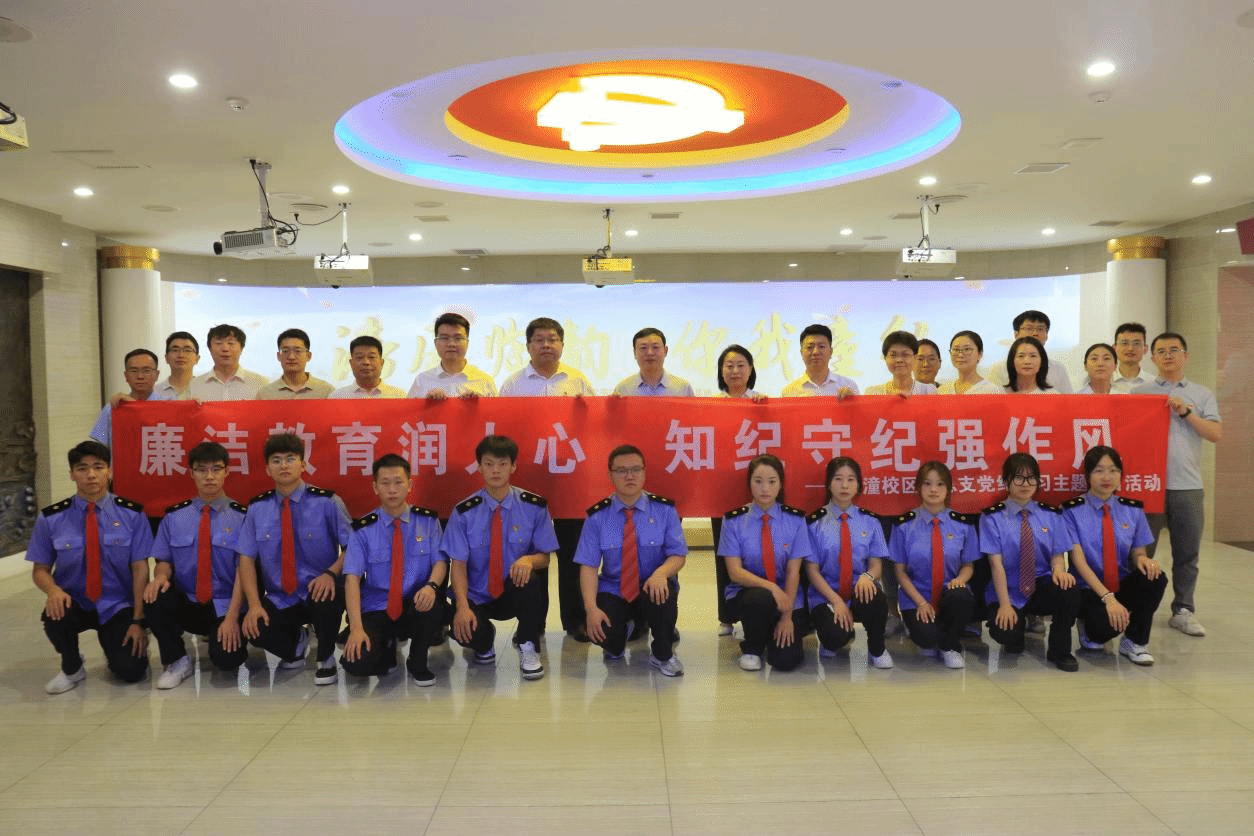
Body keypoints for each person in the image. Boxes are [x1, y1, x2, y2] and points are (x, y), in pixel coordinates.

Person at [27, 441, 152, 694]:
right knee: (55, 612)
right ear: (72, 474)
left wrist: (138, 620)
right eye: (82, 468)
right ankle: (72, 666)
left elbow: (141, 569)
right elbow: (40, 570)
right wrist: (52, 590)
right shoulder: (51, 518)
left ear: (110, 472)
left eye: (98, 467)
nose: (91, 475)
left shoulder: (132, 514)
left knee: (131, 671)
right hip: (74, 601)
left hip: (118, 604)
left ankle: (116, 649)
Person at [498, 317, 596, 641]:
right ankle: (533, 623)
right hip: (528, 481)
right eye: (539, 340)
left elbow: (594, 427)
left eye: (552, 339)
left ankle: (575, 620)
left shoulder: (578, 381)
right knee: (532, 553)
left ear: (562, 345)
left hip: (569, 481)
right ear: (528, 346)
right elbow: (501, 434)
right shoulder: (513, 385)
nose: (546, 345)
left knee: (572, 553)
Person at [236, 432, 353, 685]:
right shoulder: (257, 509)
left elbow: (352, 549)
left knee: (326, 597)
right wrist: (254, 604)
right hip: (280, 595)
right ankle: (295, 644)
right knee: (255, 627)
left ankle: (325, 657)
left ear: (303, 464)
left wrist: (330, 573)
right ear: (267, 469)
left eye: (290, 459)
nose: (284, 465)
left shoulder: (327, 502)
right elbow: (246, 559)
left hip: (320, 589)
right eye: (276, 460)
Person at [443, 435, 555, 680]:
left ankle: (528, 644)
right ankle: (484, 642)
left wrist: (529, 560)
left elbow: (545, 557)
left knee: (531, 579)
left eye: (503, 464)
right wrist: (462, 607)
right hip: (477, 594)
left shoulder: (534, 506)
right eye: (489, 463)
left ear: (513, 466)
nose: (496, 470)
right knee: (467, 631)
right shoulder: (464, 512)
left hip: (514, 590)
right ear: (479, 467)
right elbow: (458, 565)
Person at [1134, 332, 1221, 637]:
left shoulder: (1201, 394)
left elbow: (1214, 433)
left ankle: (1183, 609)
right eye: (1161, 351)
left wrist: (1185, 412)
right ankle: (1137, 608)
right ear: (1153, 358)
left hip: (1187, 485)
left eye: (1174, 350)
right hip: (1148, 486)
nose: (1168, 355)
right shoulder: (1140, 393)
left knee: (1187, 553)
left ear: (1186, 355)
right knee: (1141, 553)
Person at [144, 441, 249, 688]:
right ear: (191, 473)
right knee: (154, 595)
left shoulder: (243, 517)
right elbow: (163, 560)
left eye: (216, 469)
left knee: (227, 660)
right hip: (188, 602)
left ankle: (222, 636)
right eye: (202, 470)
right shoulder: (174, 517)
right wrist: (160, 576)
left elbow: (244, 573)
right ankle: (177, 660)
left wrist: (232, 618)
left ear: (227, 472)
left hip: (226, 604)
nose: (209, 476)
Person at [576, 444, 687, 676]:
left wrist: (661, 573)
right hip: (615, 587)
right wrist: (590, 609)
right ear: (610, 475)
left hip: (652, 584)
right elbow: (588, 567)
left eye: (636, 469)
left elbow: (678, 555)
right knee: (606, 636)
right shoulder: (597, 517)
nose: (629, 476)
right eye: (621, 471)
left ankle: (663, 655)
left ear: (644, 472)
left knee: (662, 594)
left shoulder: (664, 510)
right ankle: (622, 632)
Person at [341, 454, 446, 685]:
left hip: (416, 603)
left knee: (431, 606)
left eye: (398, 482)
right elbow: (352, 579)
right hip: (378, 606)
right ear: (375, 487)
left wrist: (431, 586)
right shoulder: (363, 529)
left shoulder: (428, 522)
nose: (392, 489)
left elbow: (440, 562)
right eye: (385, 483)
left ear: (410, 484)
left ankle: (418, 662)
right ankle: (387, 651)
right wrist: (356, 629)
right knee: (356, 663)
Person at [1061, 446, 1168, 665]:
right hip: (1088, 588)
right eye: (1099, 471)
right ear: (1088, 475)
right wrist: (1108, 598)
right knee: (1101, 632)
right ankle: (1088, 625)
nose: (1106, 477)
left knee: (1155, 577)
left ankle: (1135, 641)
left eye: (1113, 470)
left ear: (1121, 475)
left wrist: (1143, 560)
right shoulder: (1071, 511)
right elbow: (1078, 561)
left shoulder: (1132, 509)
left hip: (1119, 582)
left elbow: (1138, 552)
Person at [980, 452, 1082, 671]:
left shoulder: (1051, 515)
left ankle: (1060, 650)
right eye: (1018, 478)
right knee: (1007, 634)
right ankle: (1017, 629)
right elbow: (996, 565)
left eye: (1031, 478)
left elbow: (1057, 554)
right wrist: (1005, 605)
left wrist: (1059, 570)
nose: (1025, 484)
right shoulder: (992, 517)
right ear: (1006, 481)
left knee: (1069, 589)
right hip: (1008, 588)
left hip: (1040, 584)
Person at [717, 454, 811, 673]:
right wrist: (772, 588)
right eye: (758, 481)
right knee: (761, 598)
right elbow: (735, 572)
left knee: (786, 660)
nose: (765, 488)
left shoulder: (796, 521)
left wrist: (787, 616)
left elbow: (793, 571)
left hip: (787, 598)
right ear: (749, 483)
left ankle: (771, 631)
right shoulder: (733, 521)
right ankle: (752, 648)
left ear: (781, 484)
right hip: (749, 595)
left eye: (772, 481)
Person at [805, 456, 893, 669]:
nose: (844, 485)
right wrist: (836, 600)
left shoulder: (870, 521)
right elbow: (812, 571)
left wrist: (868, 577)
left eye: (851, 479)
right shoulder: (814, 523)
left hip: (858, 590)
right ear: (828, 484)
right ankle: (838, 636)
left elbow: (876, 564)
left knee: (876, 597)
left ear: (859, 485)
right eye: (838, 479)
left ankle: (877, 648)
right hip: (827, 595)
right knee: (834, 637)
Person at [889, 461, 978, 669]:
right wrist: (921, 602)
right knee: (926, 639)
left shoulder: (962, 525)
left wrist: (960, 580)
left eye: (940, 484)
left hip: (949, 593)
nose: (933, 490)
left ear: (948, 488)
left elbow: (968, 565)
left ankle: (949, 647)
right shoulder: (903, 525)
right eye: (927, 484)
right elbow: (900, 572)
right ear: (918, 487)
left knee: (961, 597)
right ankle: (930, 635)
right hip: (917, 595)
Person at [711, 343, 765, 636]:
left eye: (741, 365)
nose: (734, 370)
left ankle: (759, 608)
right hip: (721, 490)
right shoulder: (711, 405)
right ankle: (727, 616)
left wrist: (765, 410)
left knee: (756, 552)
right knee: (725, 553)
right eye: (728, 365)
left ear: (751, 369)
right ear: (721, 371)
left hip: (757, 492)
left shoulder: (762, 401)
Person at [407, 312, 498, 399]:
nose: (451, 344)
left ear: (467, 343)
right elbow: (408, 410)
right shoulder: (422, 381)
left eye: (458, 338)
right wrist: (427, 404)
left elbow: (497, 410)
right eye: (444, 338)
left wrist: (480, 404)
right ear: (435, 343)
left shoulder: (485, 381)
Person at [90, 348, 167, 447]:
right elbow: (101, 447)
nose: (140, 376)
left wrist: (134, 405)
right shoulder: (113, 408)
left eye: (146, 371)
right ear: (126, 376)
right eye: (134, 371)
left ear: (157, 375)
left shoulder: (169, 404)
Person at [987, 310, 1073, 392]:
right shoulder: (998, 369)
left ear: (1047, 335)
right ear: (1016, 334)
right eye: (1029, 328)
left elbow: (1067, 400)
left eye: (1040, 329)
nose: (1035, 333)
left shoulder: (1058, 369)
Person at [188, 323, 268, 400]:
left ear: (241, 348)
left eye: (231, 343)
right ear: (210, 349)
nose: (225, 349)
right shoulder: (194, 385)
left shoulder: (260, 384)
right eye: (218, 343)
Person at [612, 327, 695, 396]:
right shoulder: (623, 389)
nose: (650, 353)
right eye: (643, 348)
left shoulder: (683, 389)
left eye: (655, 347)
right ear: (635, 353)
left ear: (665, 351)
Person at [780, 324, 858, 398]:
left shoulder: (849, 386)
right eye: (810, 347)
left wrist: (852, 401)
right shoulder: (789, 392)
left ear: (830, 352)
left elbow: (860, 408)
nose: (816, 352)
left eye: (821, 346)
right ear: (801, 353)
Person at [255, 328, 333, 399]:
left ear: (308, 356)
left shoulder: (326, 391)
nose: (291, 357)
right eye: (285, 351)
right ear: (278, 356)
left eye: (298, 351)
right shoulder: (265, 394)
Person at [329, 335, 406, 398]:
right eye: (359, 357)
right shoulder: (337, 397)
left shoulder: (399, 397)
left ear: (382, 362)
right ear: (351, 363)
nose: (366, 362)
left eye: (371, 357)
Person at [864, 331, 937, 396]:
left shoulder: (929, 391)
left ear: (915, 358)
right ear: (885, 358)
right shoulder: (873, 393)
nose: (899, 360)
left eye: (905, 354)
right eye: (893, 355)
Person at [937, 330, 1002, 394]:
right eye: (956, 349)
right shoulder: (942, 390)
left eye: (967, 349)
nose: (960, 355)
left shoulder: (993, 391)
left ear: (980, 354)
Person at [156, 331, 199, 400]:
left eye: (187, 350)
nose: (181, 355)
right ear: (166, 358)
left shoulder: (206, 389)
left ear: (197, 359)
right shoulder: (153, 393)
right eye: (175, 350)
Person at [1111, 322, 1153, 393]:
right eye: (1124, 343)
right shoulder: (1103, 383)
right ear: (1114, 348)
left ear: (1145, 349)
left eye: (1136, 343)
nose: (1130, 348)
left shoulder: (1154, 383)